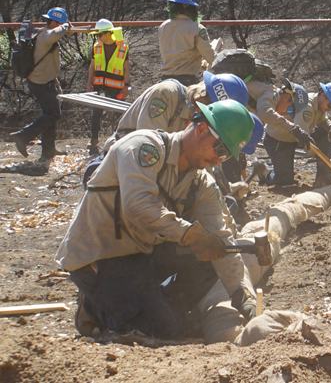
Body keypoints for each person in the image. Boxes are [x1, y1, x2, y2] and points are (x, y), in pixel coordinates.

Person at [57, 101, 258, 339]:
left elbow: (221, 236)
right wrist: (190, 234)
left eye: (225, 156)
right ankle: (94, 310)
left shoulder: (201, 182)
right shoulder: (143, 147)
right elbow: (138, 205)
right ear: (202, 129)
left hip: (140, 256)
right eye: (221, 150)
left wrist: (240, 292)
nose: (219, 160)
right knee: (161, 330)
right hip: (100, 258)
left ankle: (156, 311)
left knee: (213, 254)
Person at [104, 71, 248, 150]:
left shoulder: (198, 116)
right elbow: (146, 146)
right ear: (204, 98)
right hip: (123, 159)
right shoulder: (166, 95)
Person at [10, 7, 73, 160]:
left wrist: (66, 28)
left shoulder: (44, 34)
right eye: (60, 23)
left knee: (50, 114)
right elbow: (57, 33)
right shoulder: (46, 35)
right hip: (41, 82)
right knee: (53, 114)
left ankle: (48, 150)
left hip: (45, 80)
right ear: (53, 22)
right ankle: (23, 136)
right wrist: (67, 26)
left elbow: (61, 33)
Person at [158, 0, 220, 87]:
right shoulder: (197, 29)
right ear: (191, 8)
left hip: (165, 80)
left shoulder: (163, 27)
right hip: (187, 82)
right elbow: (211, 57)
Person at [86, 19, 130, 156]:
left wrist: (126, 86)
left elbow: (126, 68)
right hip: (99, 86)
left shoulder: (123, 48)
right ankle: (93, 142)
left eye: (100, 35)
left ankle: (120, 142)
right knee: (96, 114)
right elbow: (92, 66)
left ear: (109, 33)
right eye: (97, 35)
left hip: (116, 87)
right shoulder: (96, 47)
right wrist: (89, 83)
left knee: (119, 115)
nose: (98, 37)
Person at [259, 80, 313, 188]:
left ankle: (282, 172)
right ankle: (263, 171)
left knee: (287, 178)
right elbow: (264, 114)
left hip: (286, 141)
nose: (285, 114)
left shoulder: (274, 99)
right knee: (282, 180)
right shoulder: (269, 97)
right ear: (285, 98)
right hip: (275, 140)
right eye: (289, 110)